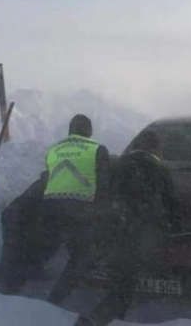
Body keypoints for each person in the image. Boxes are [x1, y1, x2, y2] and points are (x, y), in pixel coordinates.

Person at [74, 130, 181, 326]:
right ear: (156, 149)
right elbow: (171, 206)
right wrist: (175, 229)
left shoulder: (118, 165)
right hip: (140, 235)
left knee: (121, 280)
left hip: (114, 231)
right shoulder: (160, 170)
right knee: (124, 287)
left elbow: (101, 195)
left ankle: (104, 316)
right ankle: (95, 319)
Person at [34, 114, 112, 305]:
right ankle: (56, 299)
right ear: (89, 131)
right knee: (84, 254)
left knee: (47, 247)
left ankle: (17, 280)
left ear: (70, 130)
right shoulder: (97, 150)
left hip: (50, 208)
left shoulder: (53, 150)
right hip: (80, 209)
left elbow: (49, 176)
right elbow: (105, 184)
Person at [0, 171, 57, 295]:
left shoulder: (48, 182)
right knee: (17, 257)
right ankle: (10, 286)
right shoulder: (61, 188)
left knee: (14, 255)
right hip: (22, 220)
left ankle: (16, 273)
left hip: (17, 217)